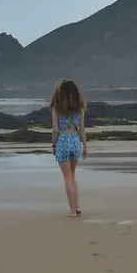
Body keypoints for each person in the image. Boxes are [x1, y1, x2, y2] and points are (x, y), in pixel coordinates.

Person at [50, 79, 88, 217]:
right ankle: (77, 206)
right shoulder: (80, 109)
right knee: (72, 175)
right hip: (75, 140)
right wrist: (85, 146)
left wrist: (53, 144)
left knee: (67, 177)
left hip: (63, 141)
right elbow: (82, 129)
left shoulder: (56, 108)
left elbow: (55, 129)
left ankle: (72, 210)